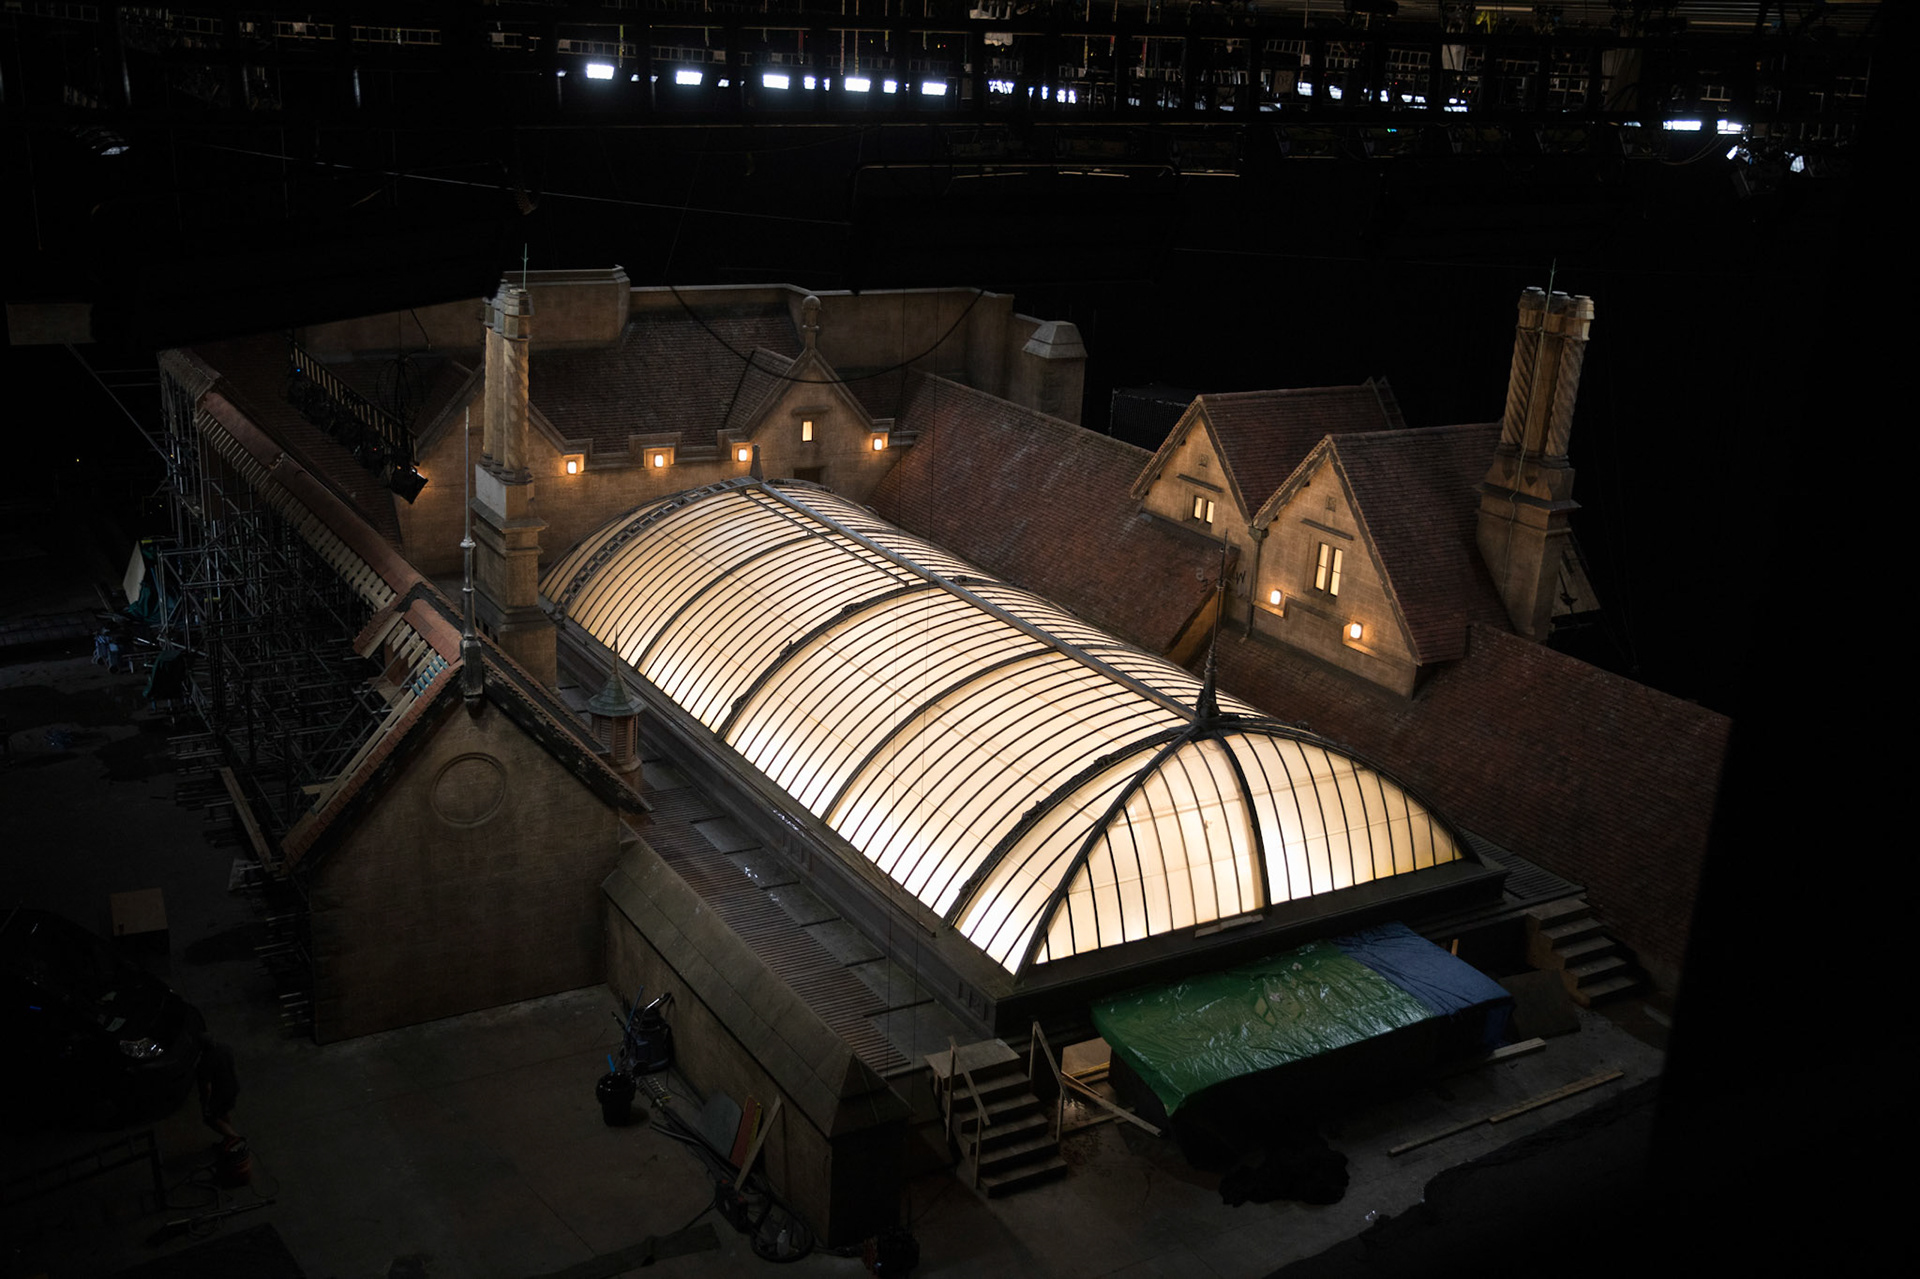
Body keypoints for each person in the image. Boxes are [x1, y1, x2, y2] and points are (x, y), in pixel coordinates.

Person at [195, 1034, 242, 1145]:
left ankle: (236, 1139)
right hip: (233, 1087)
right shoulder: (225, 1048)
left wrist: (205, 1105)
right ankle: (229, 1140)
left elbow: (207, 1087)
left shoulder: (205, 1062)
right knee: (223, 1112)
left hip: (220, 1094)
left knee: (212, 1119)